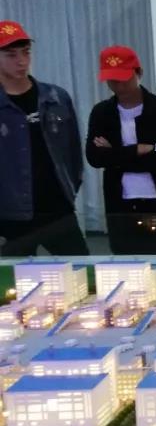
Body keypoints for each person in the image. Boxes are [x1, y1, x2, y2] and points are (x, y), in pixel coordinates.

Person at [0, 21, 89, 256]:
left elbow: (73, 152)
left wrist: (70, 189)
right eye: (11, 55)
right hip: (11, 214)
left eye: (26, 52)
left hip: (58, 208)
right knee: (13, 276)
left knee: (80, 270)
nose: (21, 61)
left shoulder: (55, 97)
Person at [86, 45, 156, 254]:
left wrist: (115, 154)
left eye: (124, 78)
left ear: (138, 73)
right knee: (127, 260)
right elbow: (95, 157)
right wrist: (138, 149)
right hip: (121, 202)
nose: (118, 85)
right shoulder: (102, 112)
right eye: (112, 80)